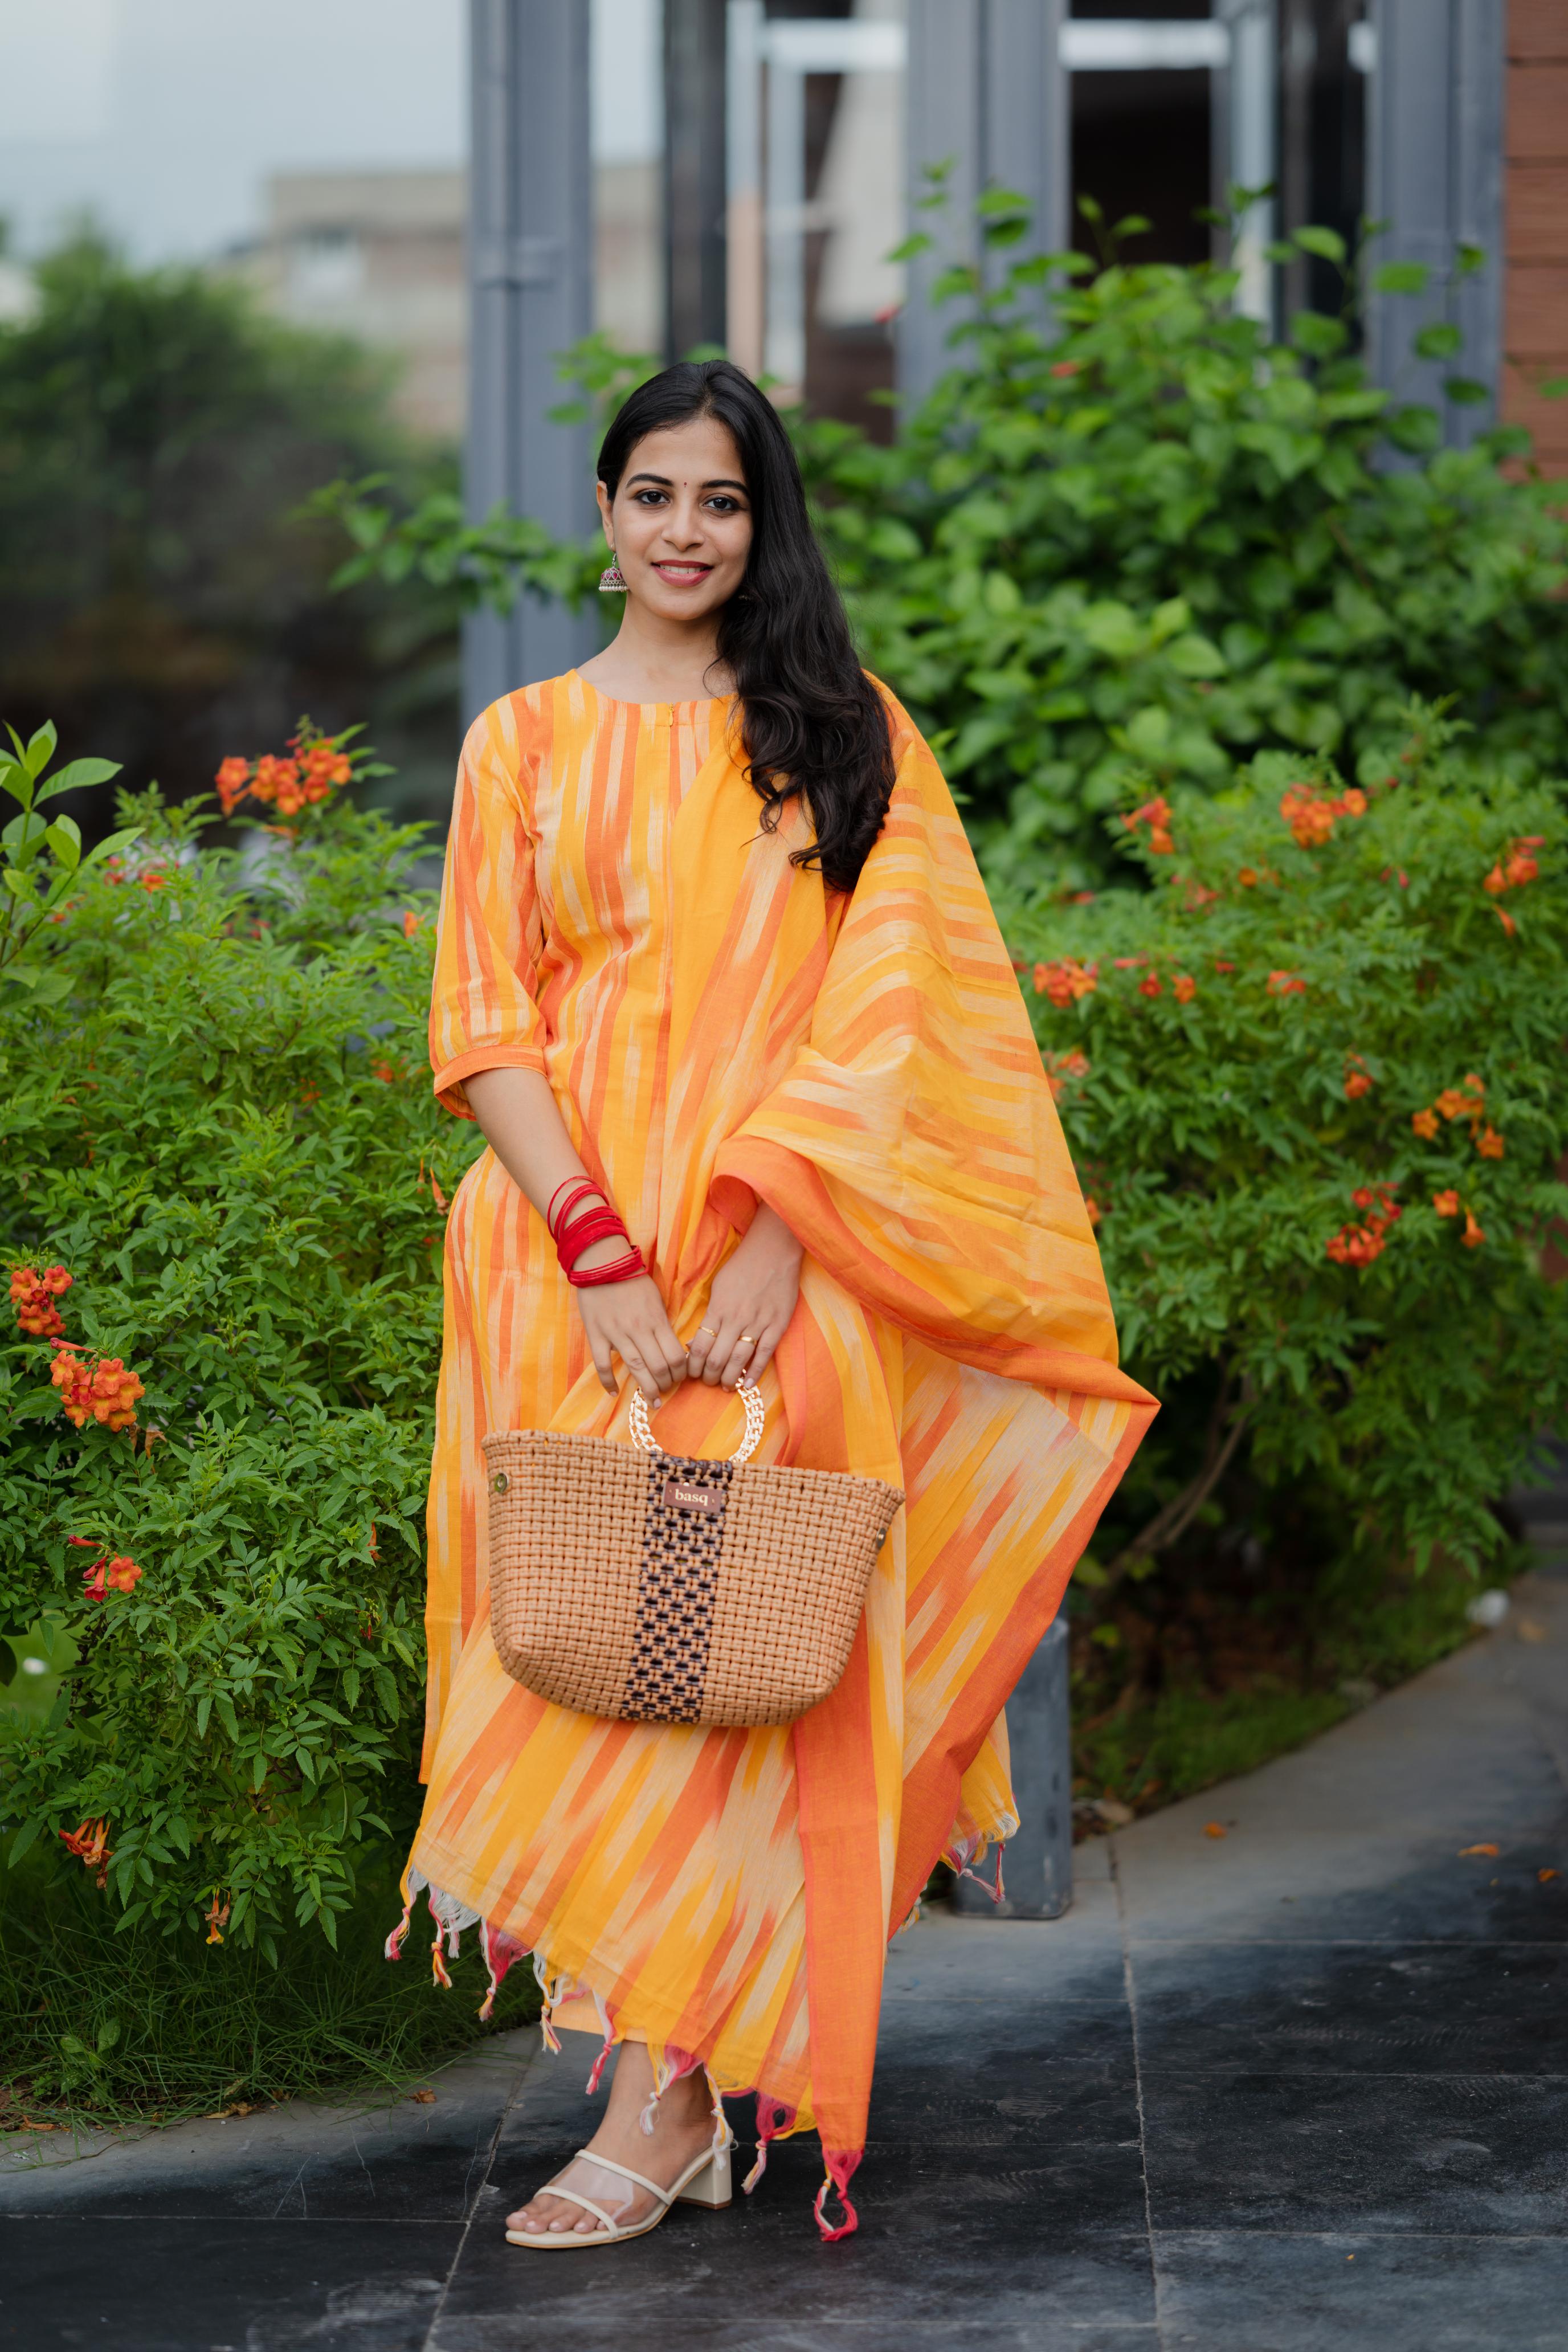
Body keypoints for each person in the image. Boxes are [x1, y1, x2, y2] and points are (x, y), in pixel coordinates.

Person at [388, 358, 1156, 2248]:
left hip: (777, 1268)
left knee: (734, 1662)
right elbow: (485, 1023)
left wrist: (774, 1243)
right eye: (653, 493)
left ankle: (661, 2101)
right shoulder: (525, 742)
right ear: (600, 508)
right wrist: (599, 1255)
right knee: (578, 1658)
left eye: (721, 501)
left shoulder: (841, 735)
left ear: (763, 524)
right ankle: (669, 2081)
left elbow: (896, 1030)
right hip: (562, 1271)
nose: (684, 531)